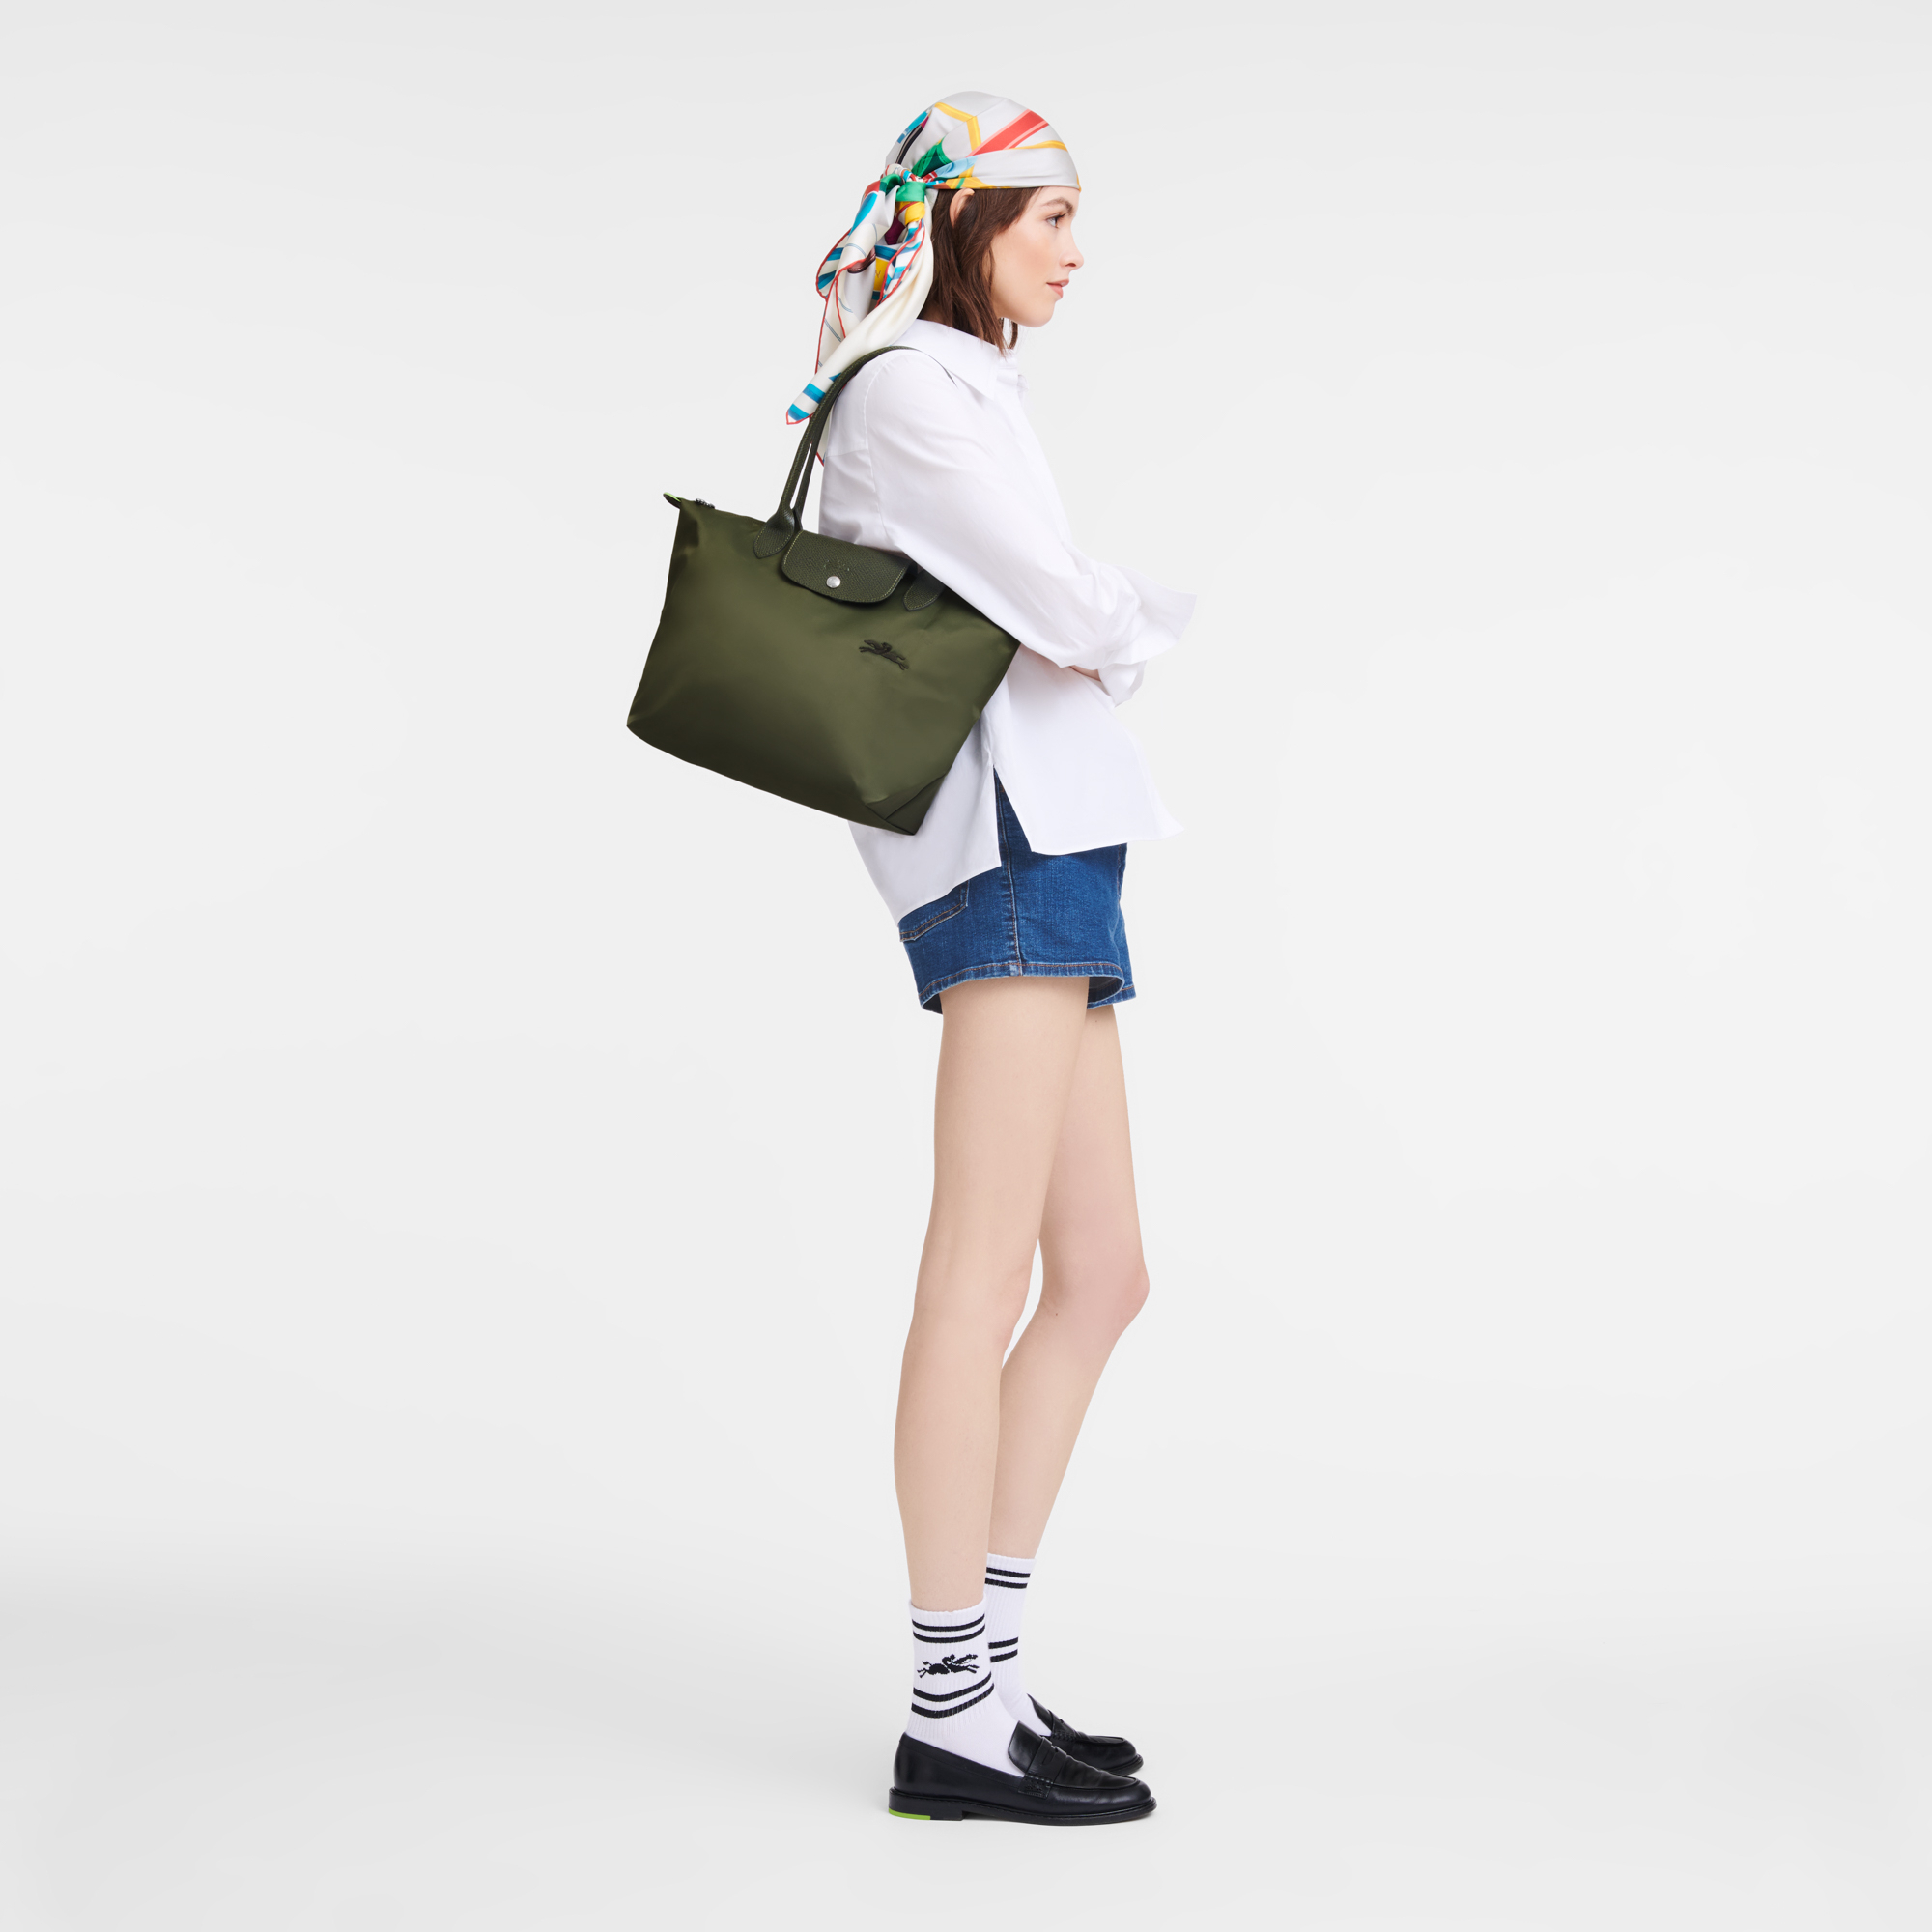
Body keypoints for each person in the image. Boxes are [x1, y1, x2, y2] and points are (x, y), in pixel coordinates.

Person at [799, 94, 1192, 1825]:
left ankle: (992, 1683)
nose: (1077, 249)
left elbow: (1058, 610)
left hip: (1067, 840)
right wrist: (1134, 620)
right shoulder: (903, 389)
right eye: (1050, 217)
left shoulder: (964, 386)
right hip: (1007, 844)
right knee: (978, 1268)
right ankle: (948, 1707)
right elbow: (1061, 604)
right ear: (964, 220)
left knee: (1101, 1273)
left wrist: (1101, 629)